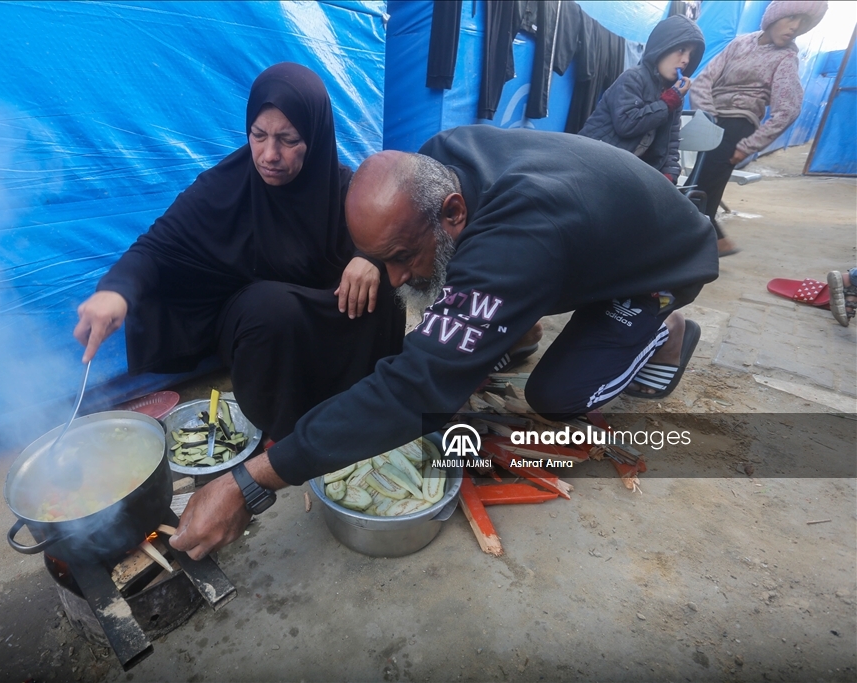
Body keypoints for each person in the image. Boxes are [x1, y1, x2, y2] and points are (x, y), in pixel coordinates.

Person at [167, 125, 718, 560]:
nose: (397, 279)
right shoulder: (435, 161)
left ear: (454, 212)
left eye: (402, 257)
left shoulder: (520, 233)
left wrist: (249, 483)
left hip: (660, 262)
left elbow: (414, 387)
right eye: (385, 260)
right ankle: (519, 322)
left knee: (557, 397)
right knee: (460, 317)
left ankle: (662, 332)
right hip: (587, 231)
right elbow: (430, 276)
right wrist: (373, 255)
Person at [73, 63, 405, 439]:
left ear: (316, 136)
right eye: (258, 135)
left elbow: (399, 228)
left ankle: (372, 400)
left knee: (386, 281)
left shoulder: (343, 188)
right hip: (265, 326)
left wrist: (370, 256)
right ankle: (287, 437)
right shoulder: (223, 188)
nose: (268, 154)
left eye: (288, 139)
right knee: (271, 307)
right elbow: (156, 248)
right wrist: (114, 293)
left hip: (330, 309)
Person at [688, 0, 828, 257]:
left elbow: (788, 109)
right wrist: (708, 117)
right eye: (791, 18)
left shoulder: (785, 59)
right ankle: (714, 243)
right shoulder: (740, 43)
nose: (795, 28)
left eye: (803, 23)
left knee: (701, 190)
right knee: (698, 187)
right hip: (709, 119)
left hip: (736, 126)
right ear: (775, 16)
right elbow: (704, 80)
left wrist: (748, 146)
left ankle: (706, 246)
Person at [579, 14, 705, 183]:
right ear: (663, 45)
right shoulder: (633, 78)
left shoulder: (674, 96)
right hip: (593, 162)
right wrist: (666, 103)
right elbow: (626, 124)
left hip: (629, 170)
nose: (686, 60)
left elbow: (670, 144)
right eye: (681, 50)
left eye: (691, 54)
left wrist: (669, 176)